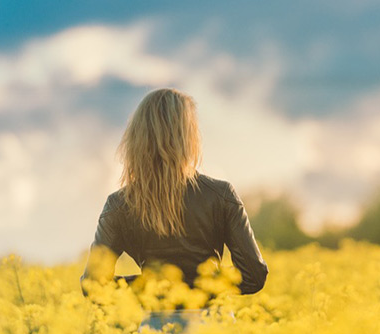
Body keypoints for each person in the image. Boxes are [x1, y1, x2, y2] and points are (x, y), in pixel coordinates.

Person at [80, 88, 268, 306]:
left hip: (153, 327)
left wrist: (153, 286)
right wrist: (201, 285)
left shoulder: (119, 205)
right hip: (214, 327)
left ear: (137, 137)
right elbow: (254, 276)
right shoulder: (221, 195)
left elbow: (93, 285)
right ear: (188, 137)